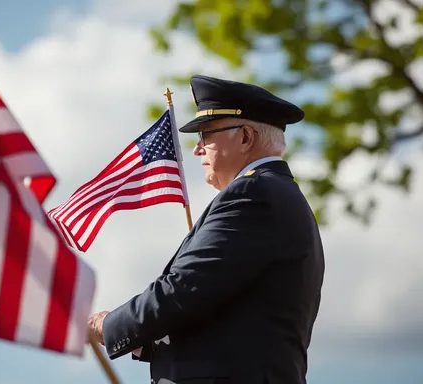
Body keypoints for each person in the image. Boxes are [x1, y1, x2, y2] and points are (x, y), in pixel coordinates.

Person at [88, 74, 325, 384]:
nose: (197, 149)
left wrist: (109, 326)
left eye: (206, 135)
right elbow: (210, 307)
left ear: (245, 137)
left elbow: (182, 289)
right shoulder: (269, 194)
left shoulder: (254, 195)